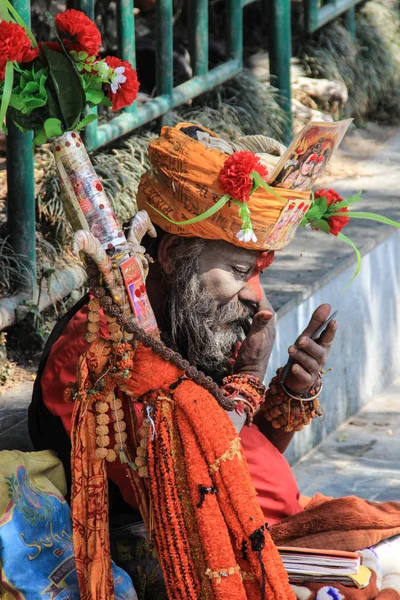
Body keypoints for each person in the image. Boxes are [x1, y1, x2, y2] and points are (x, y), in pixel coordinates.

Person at [29, 123, 400, 600]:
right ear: (173, 254)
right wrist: (247, 383)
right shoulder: (98, 353)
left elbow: (252, 453)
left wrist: (290, 390)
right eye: (240, 271)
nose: (253, 296)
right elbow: (197, 489)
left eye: (258, 270)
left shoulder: (199, 311)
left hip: (264, 530)